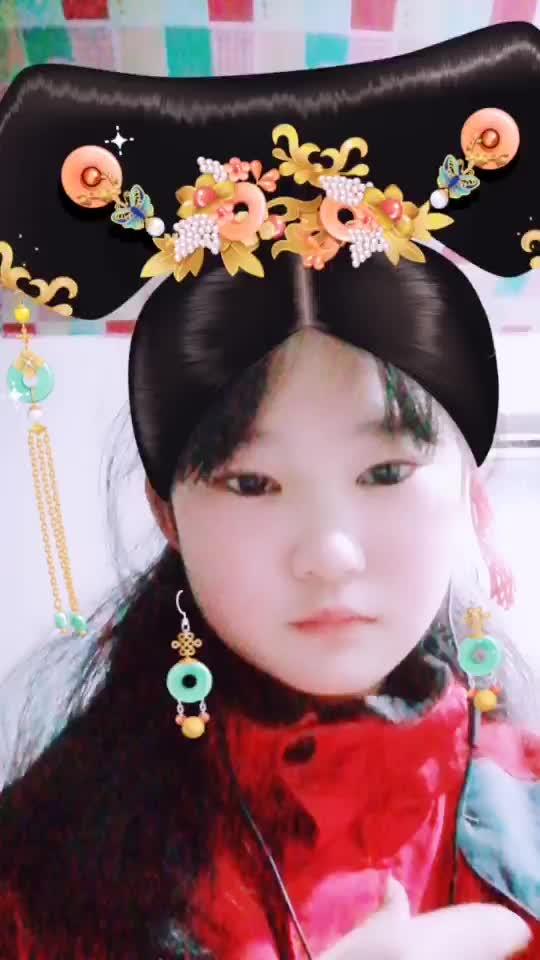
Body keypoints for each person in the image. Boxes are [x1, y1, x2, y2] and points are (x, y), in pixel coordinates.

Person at [0, 19, 539, 960]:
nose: (329, 553)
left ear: (470, 486)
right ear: (167, 512)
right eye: (251, 481)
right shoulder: (44, 861)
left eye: (385, 472)